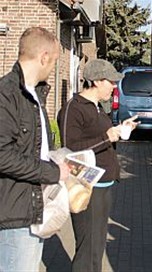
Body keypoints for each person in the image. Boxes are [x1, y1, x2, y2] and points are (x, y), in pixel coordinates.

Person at [58, 59, 139, 272]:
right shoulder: (73, 109)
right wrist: (107, 137)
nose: (114, 86)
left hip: (103, 185)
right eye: (111, 81)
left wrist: (121, 129)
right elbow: (70, 149)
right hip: (86, 187)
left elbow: (101, 137)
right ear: (96, 81)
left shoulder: (97, 107)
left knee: (97, 246)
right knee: (87, 248)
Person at [0, 27, 69, 271]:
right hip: (14, 215)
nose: (52, 69)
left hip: (31, 208)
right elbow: (2, 156)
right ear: (44, 57)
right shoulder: (7, 94)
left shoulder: (34, 95)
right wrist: (53, 172)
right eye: (53, 62)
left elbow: (33, 150)